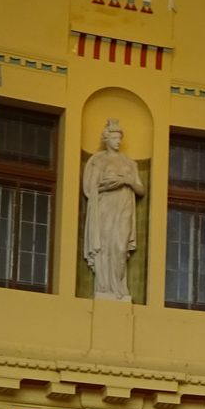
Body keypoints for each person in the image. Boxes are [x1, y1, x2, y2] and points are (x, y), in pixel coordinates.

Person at [81, 119, 146, 301]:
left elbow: (141, 190)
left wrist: (127, 181)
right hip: (105, 206)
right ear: (106, 139)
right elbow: (90, 188)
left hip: (124, 206)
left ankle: (118, 286)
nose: (118, 141)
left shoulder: (129, 163)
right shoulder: (99, 161)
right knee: (104, 245)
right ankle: (105, 286)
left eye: (119, 138)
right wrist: (107, 186)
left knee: (120, 246)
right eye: (115, 138)